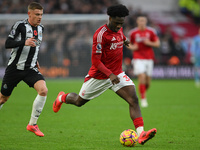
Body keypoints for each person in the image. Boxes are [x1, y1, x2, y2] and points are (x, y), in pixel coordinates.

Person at [53, 4, 157, 145]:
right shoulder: (101, 34)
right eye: (117, 23)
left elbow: (120, 34)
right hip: (99, 76)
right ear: (110, 18)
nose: (119, 26)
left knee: (133, 99)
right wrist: (109, 74)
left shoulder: (118, 29)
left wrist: (125, 40)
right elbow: (95, 61)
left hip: (117, 74)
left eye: (122, 23)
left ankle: (141, 134)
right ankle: (62, 97)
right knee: (79, 101)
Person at [0, 2, 47, 137]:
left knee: (43, 90)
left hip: (30, 68)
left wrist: (34, 58)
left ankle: (32, 124)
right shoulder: (20, 26)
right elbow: (7, 44)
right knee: (3, 98)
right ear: (29, 14)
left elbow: (35, 46)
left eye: (41, 15)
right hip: (15, 68)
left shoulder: (41, 28)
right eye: (37, 14)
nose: (40, 17)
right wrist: (23, 42)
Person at [128, 15, 160, 107]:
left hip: (149, 58)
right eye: (140, 21)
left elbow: (157, 44)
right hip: (138, 58)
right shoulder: (133, 33)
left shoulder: (151, 31)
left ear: (146, 22)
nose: (142, 22)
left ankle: (142, 92)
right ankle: (143, 99)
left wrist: (149, 43)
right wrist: (133, 47)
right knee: (141, 77)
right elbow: (128, 43)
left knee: (148, 83)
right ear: (137, 22)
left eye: (143, 21)